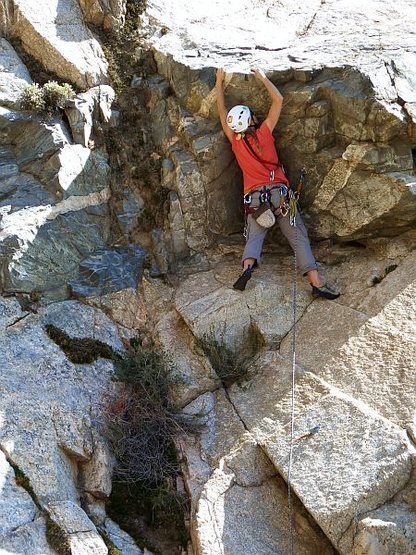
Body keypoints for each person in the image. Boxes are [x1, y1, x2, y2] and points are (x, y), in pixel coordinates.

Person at [215, 67, 340, 299]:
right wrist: (261, 76)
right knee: (297, 236)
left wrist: (218, 81)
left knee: (254, 237)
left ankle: (247, 268)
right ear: (251, 120)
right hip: (279, 194)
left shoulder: (235, 141)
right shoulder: (264, 132)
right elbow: (278, 100)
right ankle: (316, 282)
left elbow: (222, 113)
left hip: (254, 199)